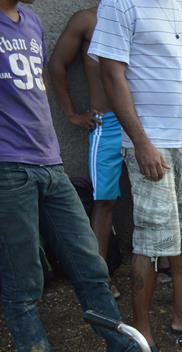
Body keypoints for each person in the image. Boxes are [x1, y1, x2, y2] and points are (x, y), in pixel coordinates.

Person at [0, 0, 165, 352]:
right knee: (22, 287)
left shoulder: (30, 21)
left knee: (91, 267)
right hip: (6, 170)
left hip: (48, 163)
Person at [90, 0, 182, 352]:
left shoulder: (179, 5)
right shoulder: (120, 4)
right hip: (152, 141)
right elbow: (112, 76)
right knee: (150, 241)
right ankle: (141, 329)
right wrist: (142, 141)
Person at [48, 5, 124, 298]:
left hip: (144, 122)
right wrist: (71, 114)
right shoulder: (87, 19)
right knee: (103, 200)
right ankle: (98, 276)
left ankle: (164, 263)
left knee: (153, 192)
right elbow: (56, 65)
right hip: (107, 123)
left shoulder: (139, 16)